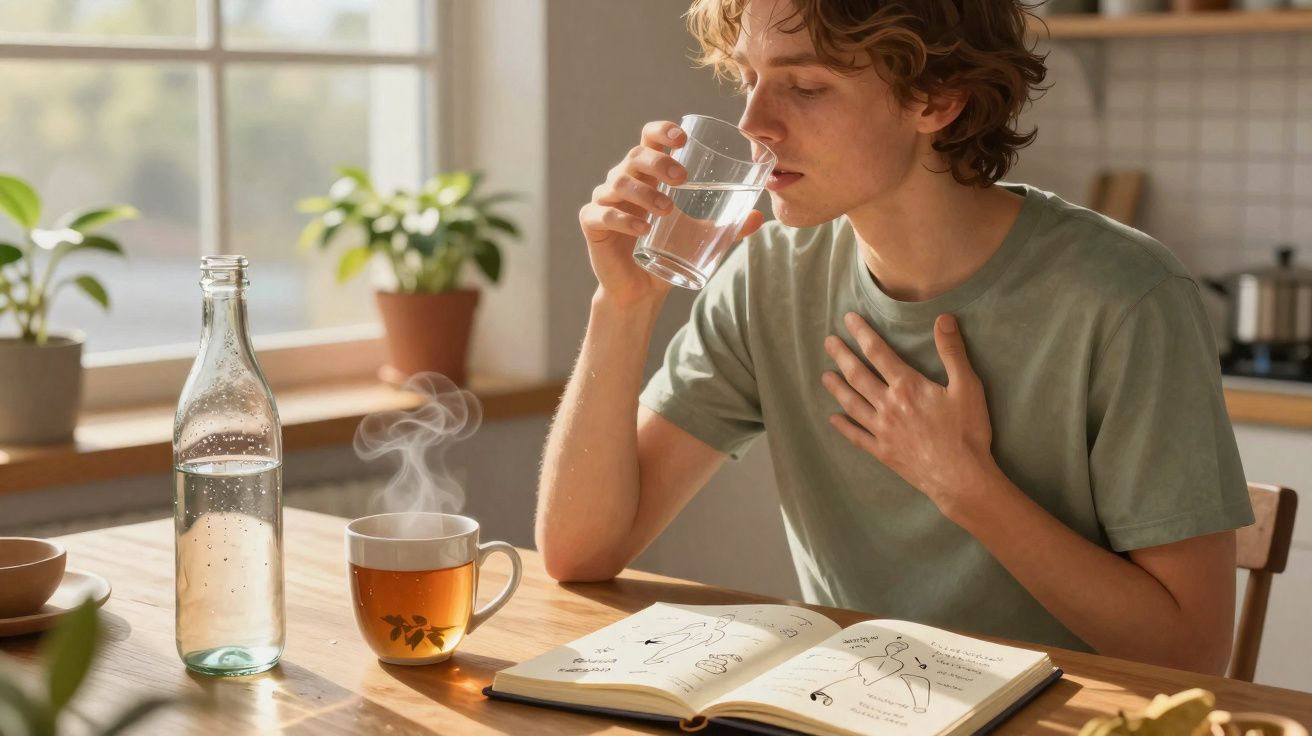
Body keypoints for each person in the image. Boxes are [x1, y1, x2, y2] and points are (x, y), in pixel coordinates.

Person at [535, 0, 1254, 676]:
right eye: (750, 79)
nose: (754, 122)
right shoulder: (766, 278)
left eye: (805, 86)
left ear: (936, 99)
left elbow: (1190, 655)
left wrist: (966, 486)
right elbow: (579, 554)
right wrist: (622, 305)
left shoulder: (1126, 298)